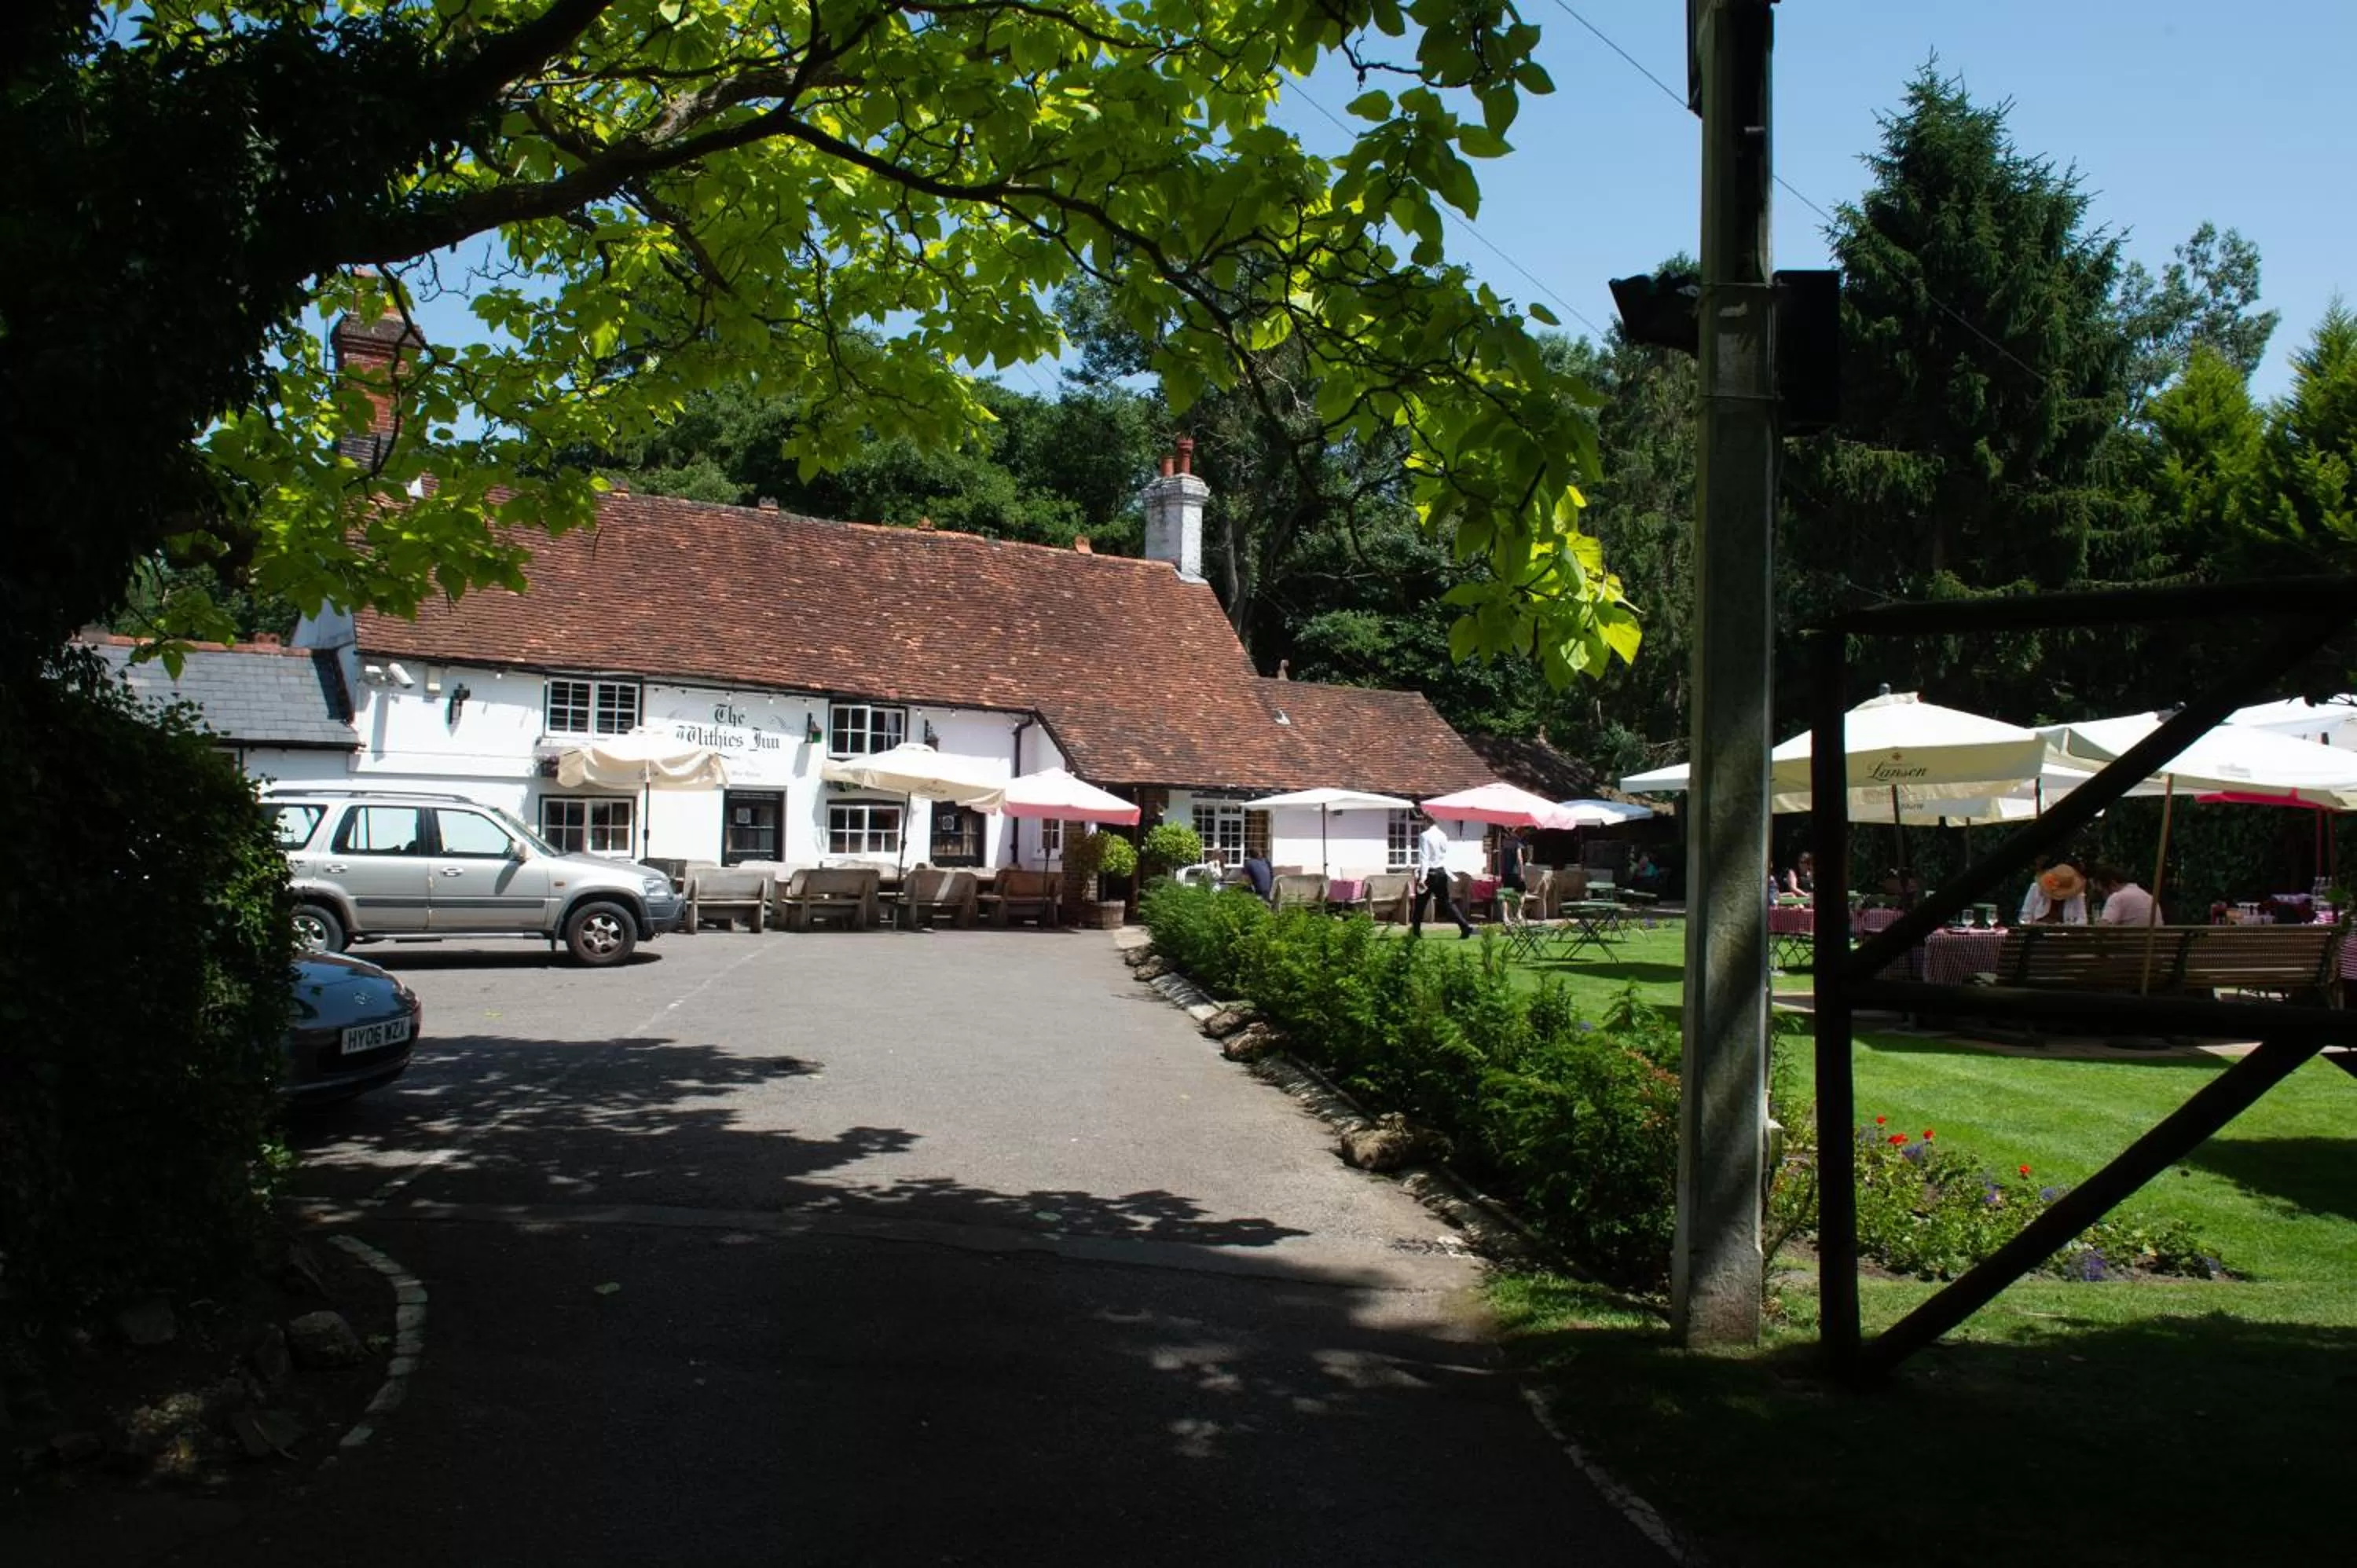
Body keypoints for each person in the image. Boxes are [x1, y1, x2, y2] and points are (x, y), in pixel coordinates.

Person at [1410, 809, 1475, 938]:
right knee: (1447, 902)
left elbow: (1425, 857)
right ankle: (1465, 926)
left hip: (1430, 873)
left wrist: (1422, 878)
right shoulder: (1443, 835)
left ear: (1426, 821)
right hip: (1441, 872)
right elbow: (1444, 855)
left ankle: (1415, 932)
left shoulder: (1425, 836)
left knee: (1420, 904)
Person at [2019, 859, 2088, 925]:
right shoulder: (2036, 888)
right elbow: (2025, 915)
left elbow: (2083, 919)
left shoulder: (2076, 892)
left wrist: (2070, 929)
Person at [2089, 864, 2157, 926]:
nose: (2103, 897)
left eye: (2102, 892)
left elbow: (2101, 929)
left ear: (2113, 884)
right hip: (2154, 939)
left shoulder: (2117, 897)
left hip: (2130, 940)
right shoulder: (2149, 897)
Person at [1496, 825, 1532, 925]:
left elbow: (1500, 857)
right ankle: (1518, 914)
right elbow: (1519, 858)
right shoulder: (1517, 842)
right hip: (1515, 872)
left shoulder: (1505, 842)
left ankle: (1505, 917)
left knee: (1505, 895)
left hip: (1505, 872)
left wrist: (1500, 871)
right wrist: (1521, 872)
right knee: (1523, 892)